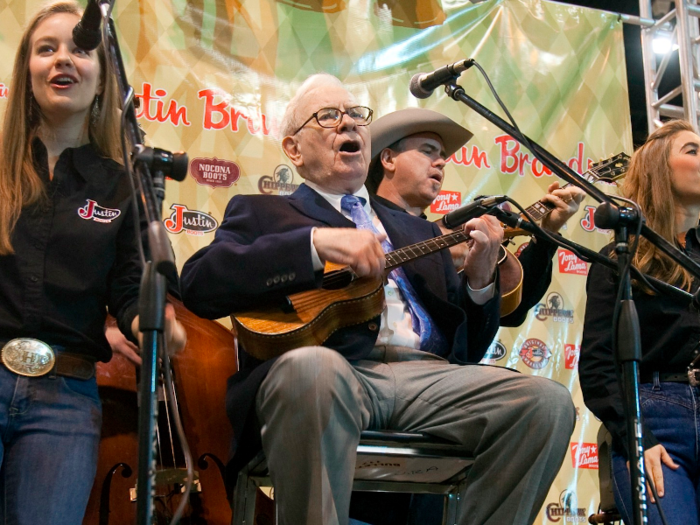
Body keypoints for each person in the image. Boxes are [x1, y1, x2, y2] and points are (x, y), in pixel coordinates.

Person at [181, 73, 575, 525]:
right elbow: (199, 283)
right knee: (312, 369)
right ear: (293, 149)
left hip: (427, 380)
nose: (347, 124)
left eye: (355, 115)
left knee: (545, 403)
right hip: (335, 374)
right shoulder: (263, 211)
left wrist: (481, 282)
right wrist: (313, 245)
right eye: (328, 116)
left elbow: (466, 351)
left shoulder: (420, 230)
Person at [0, 2, 185, 523]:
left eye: (80, 50)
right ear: (27, 70)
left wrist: (150, 327)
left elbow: (129, 289)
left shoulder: (123, 184)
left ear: (105, 80)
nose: (63, 59)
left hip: (66, 399)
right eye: (46, 49)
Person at [580, 119, 700, 525]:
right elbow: (598, 367)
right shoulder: (620, 258)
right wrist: (637, 439)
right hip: (655, 418)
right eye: (692, 150)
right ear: (657, 169)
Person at [366, 107, 586, 327]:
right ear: (388, 159)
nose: (441, 162)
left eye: (442, 156)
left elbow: (512, 311)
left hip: (436, 359)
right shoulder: (355, 218)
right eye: (427, 151)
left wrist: (546, 234)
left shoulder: (453, 238)